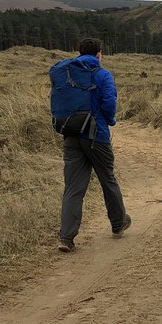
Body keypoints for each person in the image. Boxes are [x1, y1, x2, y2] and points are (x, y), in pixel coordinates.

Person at [57, 38, 130, 251]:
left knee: (73, 187)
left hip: (70, 134)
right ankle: (118, 224)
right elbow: (109, 102)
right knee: (108, 179)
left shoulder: (68, 72)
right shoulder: (102, 74)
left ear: (79, 52)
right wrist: (110, 120)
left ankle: (66, 237)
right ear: (99, 54)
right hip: (96, 135)